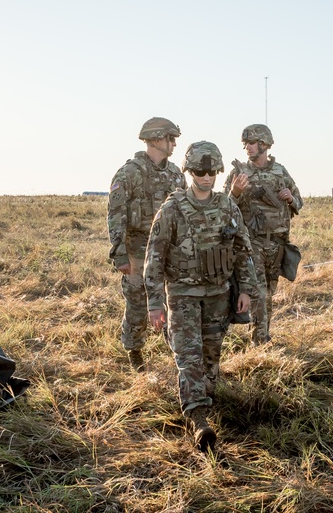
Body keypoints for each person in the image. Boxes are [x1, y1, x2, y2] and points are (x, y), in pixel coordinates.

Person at [144, 141, 259, 452]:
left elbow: (242, 249)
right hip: (182, 295)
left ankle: (206, 399)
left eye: (211, 171)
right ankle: (199, 420)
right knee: (188, 357)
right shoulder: (172, 208)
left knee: (210, 356)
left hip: (217, 295)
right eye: (200, 171)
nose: (206, 176)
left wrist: (246, 289)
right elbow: (154, 256)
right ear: (189, 171)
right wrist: (155, 303)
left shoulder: (227, 206)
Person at [107, 117, 186, 372]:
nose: (174, 144)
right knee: (138, 305)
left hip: (168, 252)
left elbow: (183, 212)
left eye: (174, 139)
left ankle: (177, 351)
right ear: (155, 139)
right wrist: (120, 255)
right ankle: (134, 352)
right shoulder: (130, 173)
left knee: (172, 302)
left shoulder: (175, 174)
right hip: (137, 252)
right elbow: (115, 214)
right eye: (170, 138)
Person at [225, 124, 303, 345]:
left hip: (277, 244)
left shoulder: (280, 171)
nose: (247, 148)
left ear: (265, 144)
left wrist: (290, 198)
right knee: (257, 292)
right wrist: (236, 192)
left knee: (268, 293)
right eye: (245, 144)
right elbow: (224, 207)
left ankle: (261, 335)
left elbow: (299, 201)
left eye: (251, 143)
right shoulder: (239, 172)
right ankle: (260, 342)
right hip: (253, 243)